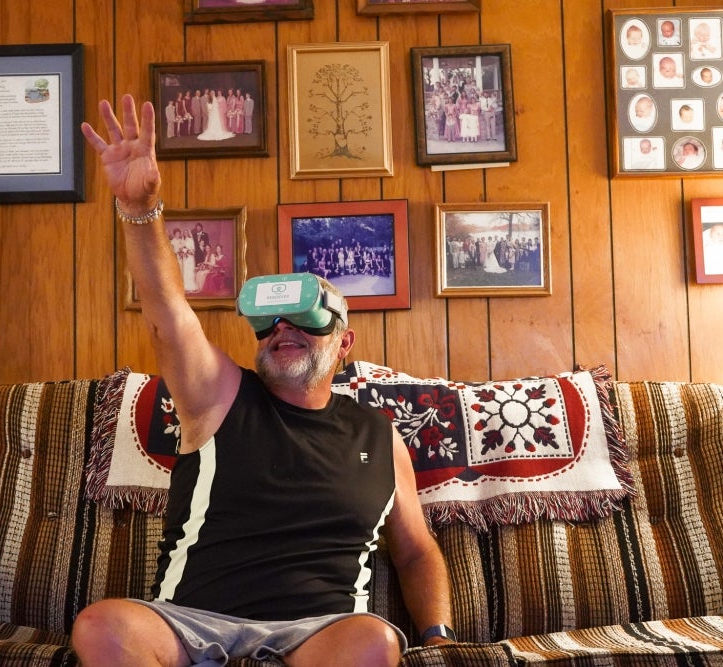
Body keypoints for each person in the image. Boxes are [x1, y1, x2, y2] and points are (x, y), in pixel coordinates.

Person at [75, 94, 454, 666]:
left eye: (305, 318)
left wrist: (438, 636)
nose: (283, 329)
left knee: (374, 643)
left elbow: (417, 552)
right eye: (271, 321)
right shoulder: (219, 396)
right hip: (191, 622)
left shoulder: (379, 436)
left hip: (320, 631)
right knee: (103, 626)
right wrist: (140, 208)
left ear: (344, 343)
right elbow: (168, 318)